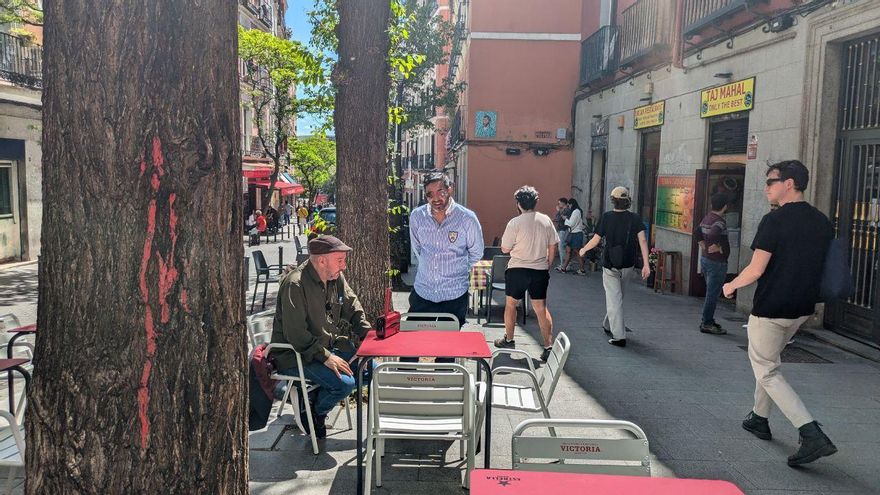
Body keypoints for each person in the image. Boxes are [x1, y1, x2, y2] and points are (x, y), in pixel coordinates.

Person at [722, 160, 836, 467]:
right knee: (768, 362)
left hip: (772, 307)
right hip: (802, 307)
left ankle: (810, 433)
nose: (766, 188)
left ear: (789, 183)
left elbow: (756, 269)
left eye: (771, 182)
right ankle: (758, 418)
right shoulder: (821, 221)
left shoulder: (774, 220)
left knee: (767, 370)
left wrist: (731, 285)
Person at [270, 235, 372, 438]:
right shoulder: (295, 285)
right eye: (340, 260)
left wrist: (368, 336)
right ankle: (314, 412)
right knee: (344, 384)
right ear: (322, 260)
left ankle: (311, 397)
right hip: (296, 356)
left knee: (371, 372)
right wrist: (326, 357)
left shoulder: (335, 277)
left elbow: (352, 307)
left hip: (325, 348)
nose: (344, 266)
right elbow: (297, 336)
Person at [409, 171, 483, 329]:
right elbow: (417, 249)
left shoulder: (467, 218)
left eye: (440, 192)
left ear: (450, 189)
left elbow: (476, 252)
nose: (435, 198)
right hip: (423, 292)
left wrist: (458, 271)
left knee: (448, 344)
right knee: (414, 342)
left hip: (454, 295)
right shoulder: (417, 216)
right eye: (429, 194)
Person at [494, 186, 559, 362]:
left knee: (511, 305)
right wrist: (548, 264)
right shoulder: (546, 220)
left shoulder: (514, 223)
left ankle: (509, 339)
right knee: (541, 308)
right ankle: (548, 346)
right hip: (539, 270)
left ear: (518, 203)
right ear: (535, 202)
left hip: (517, 269)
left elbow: (505, 248)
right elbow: (553, 245)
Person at [578, 187, 650, 347]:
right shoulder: (635, 218)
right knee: (617, 297)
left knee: (614, 298)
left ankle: (619, 336)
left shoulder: (607, 217)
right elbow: (643, 241)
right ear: (628, 201)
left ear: (613, 200)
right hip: (628, 264)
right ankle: (608, 324)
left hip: (611, 263)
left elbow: (596, 239)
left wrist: (583, 249)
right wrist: (646, 264)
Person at [695, 193, 731, 335]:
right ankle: (707, 323)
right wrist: (718, 247)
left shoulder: (707, 218)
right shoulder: (719, 222)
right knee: (712, 294)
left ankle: (708, 319)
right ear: (725, 207)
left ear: (711, 205)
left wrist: (704, 245)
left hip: (706, 260)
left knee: (711, 292)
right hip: (717, 262)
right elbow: (713, 234)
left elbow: (697, 231)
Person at [556, 198, 586, 274]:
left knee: (577, 252)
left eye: (569, 205)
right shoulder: (575, 211)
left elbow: (571, 224)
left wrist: (565, 219)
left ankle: (582, 270)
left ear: (572, 204)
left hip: (576, 234)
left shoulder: (576, 211)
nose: (568, 207)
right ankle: (563, 268)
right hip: (572, 234)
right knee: (568, 251)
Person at [554, 198, 570, 268]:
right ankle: (562, 264)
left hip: (563, 230)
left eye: (559, 203)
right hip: (561, 230)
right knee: (561, 248)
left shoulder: (567, 210)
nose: (558, 204)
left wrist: (559, 211)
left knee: (561, 248)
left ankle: (564, 265)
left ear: (563, 203)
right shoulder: (563, 210)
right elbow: (557, 218)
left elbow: (562, 218)